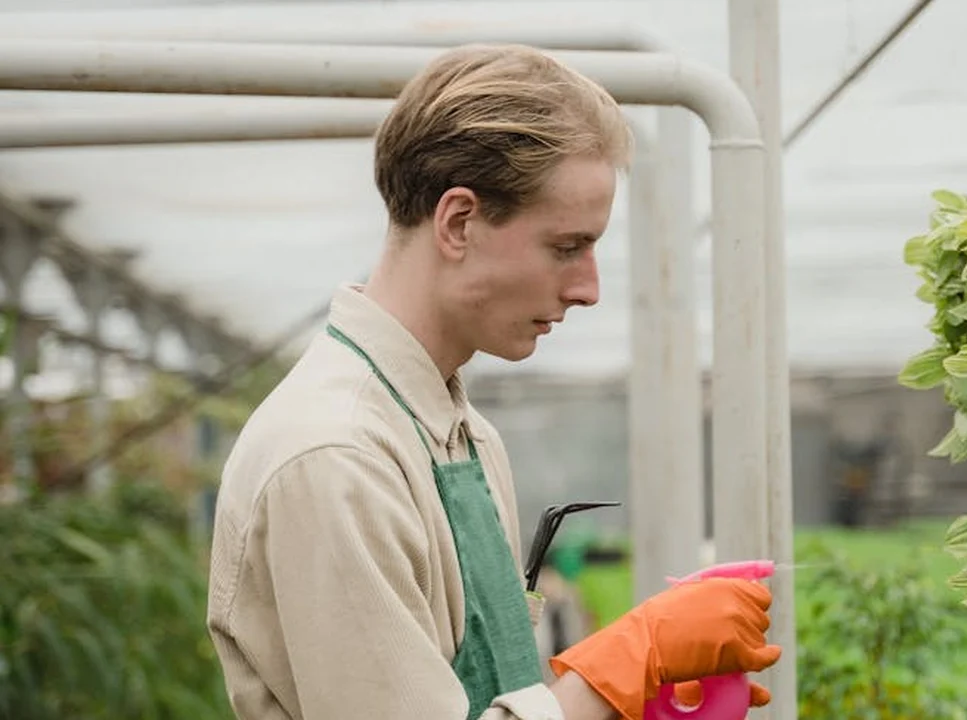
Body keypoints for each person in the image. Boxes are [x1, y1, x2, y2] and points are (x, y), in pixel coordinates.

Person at [205, 43, 781, 720]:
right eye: (567, 247)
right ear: (458, 222)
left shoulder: (461, 435)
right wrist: (617, 668)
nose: (589, 288)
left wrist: (634, 694)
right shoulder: (337, 458)